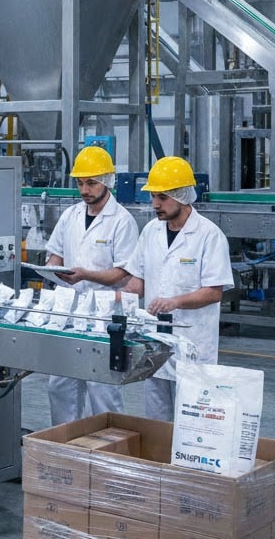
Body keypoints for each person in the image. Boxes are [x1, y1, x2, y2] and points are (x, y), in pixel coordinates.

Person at [98, 156, 234, 421]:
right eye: (153, 197)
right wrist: (109, 300)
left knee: (191, 419)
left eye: (162, 197)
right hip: (156, 344)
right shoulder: (151, 231)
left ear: (182, 195)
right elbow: (138, 282)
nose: (155, 204)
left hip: (193, 344)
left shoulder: (209, 235)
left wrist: (175, 301)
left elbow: (214, 292)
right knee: (156, 418)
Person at [44, 145, 138, 424]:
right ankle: (65, 442)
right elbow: (55, 254)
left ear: (107, 181)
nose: (84, 190)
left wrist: (85, 275)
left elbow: (124, 273)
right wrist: (53, 269)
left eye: (91, 183)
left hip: (103, 316)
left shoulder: (122, 221)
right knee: (60, 386)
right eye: (80, 183)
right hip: (69, 312)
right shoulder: (71, 215)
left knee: (102, 390)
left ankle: (109, 445)